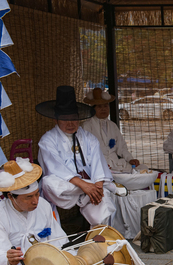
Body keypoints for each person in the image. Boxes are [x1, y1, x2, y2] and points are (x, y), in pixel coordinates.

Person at [37, 85, 121, 226]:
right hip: (68, 189)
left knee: (103, 193)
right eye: (65, 119)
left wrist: (98, 186)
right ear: (55, 120)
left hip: (90, 186)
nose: (70, 124)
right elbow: (55, 169)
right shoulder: (47, 140)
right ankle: (94, 190)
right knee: (48, 183)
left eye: (74, 118)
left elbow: (97, 164)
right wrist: (84, 186)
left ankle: (100, 233)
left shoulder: (89, 138)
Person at [0, 159, 67, 265]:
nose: (35, 201)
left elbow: (58, 237)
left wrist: (59, 258)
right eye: (28, 197)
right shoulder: (1, 214)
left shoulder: (43, 205)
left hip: (49, 262)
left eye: (37, 194)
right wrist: (9, 260)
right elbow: (2, 252)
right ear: (11, 197)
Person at [82, 88, 143, 172]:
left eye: (106, 106)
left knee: (142, 169)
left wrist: (130, 159)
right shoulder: (87, 126)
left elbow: (121, 148)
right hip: (97, 165)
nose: (103, 109)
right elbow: (85, 151)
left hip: (116, 164)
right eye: (99, 106)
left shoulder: (112, 125)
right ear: (92, 109)